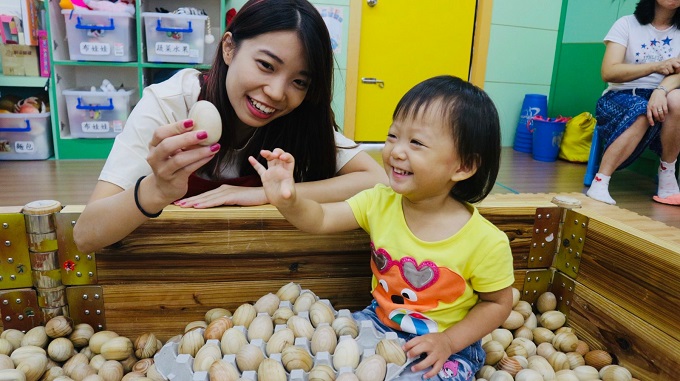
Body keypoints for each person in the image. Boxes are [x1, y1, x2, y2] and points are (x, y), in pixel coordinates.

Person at [250, 76, 514, 380]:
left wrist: (450, 341)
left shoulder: (485, 241)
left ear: (463, 167)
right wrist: (289, 199)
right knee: (329, 359)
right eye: (392, 136)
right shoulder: (379, 201)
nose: (396, 151)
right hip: (376, 323)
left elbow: (498, 303)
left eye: (416, 142)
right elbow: (321, 218)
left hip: (447, 345)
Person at [73, 0, 387, 254]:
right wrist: (157, 190)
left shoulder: (298, 117)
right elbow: (86, 235)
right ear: (229, 48)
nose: (277, 93)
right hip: (169, 263)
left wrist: (270, 194)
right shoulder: (172, 103)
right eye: (266, 65)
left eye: (299, 81)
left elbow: (375, 180)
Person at [586, 0, 680, 206]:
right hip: (619, 96)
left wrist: (660, 90)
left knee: (678, 100)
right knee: (639, 109)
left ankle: (667, 175)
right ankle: (601, 181)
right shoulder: (626, 24)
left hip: (662, 97)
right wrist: (656, 66)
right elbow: (609, 72)